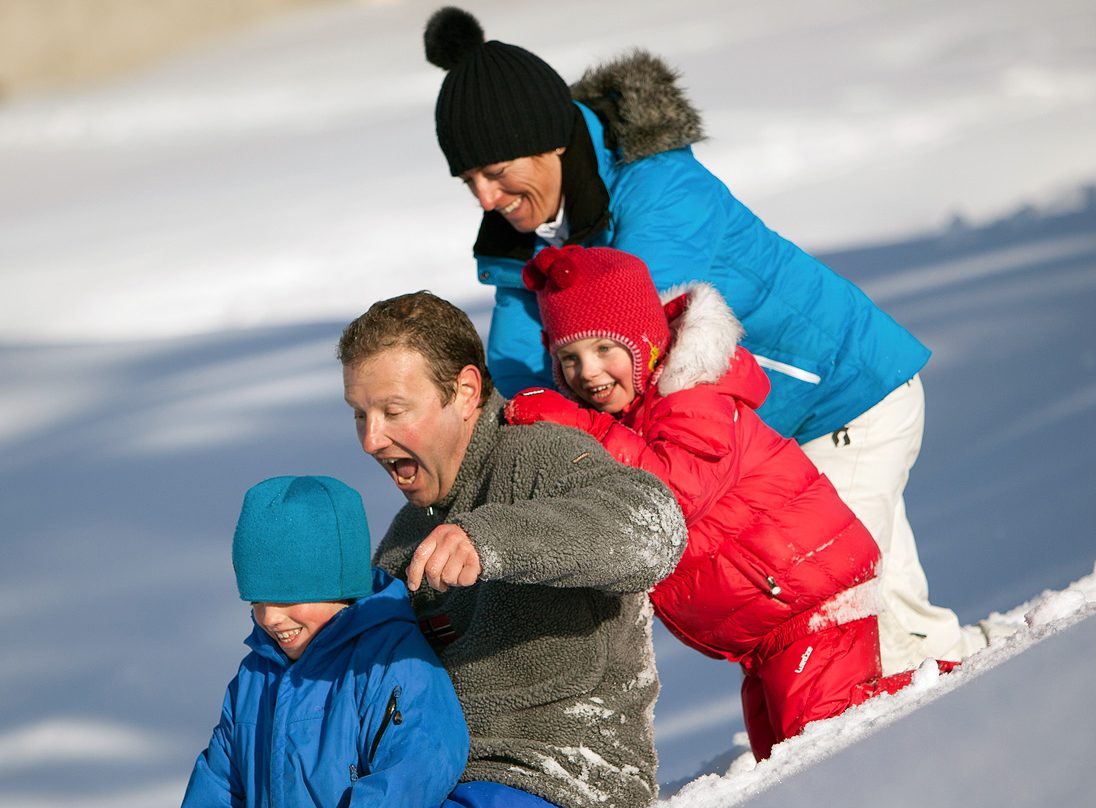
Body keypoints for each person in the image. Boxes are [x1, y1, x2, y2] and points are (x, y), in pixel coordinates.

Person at [420, 6, 1009, 671]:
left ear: (552, 139)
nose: (485, 197)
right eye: (468, 181)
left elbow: (630, 348)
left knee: (837, 611)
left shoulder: (660, 194)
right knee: (899, 624)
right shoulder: (525, 248)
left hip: (843, 398)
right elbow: (526, 366)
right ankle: (989, 673)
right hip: (770, 446)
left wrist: (556, 414)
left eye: (496, 171)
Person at [334, 289, 686, 808]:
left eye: (392, 412)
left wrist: (492, 539)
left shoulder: (539, 460)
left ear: (465, 392)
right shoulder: (406, 537)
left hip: (564, 778)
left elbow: (654, 526)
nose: (372, 439)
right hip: (453, 790)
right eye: (360, 416)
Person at [505, 244, 946, 760]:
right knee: (780, 759)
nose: (588, 371)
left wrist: (582, 425)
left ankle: (962, 688)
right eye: (569, 359)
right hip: (765, 630)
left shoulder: (693, 398)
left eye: (605, 348)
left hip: (811, 599)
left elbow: (671, 492)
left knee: (828, 744)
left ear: (646, 343)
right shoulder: (628, 423)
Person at [175, 475, 469, 808]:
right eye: (257, 600)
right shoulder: (255, 678)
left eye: (289, 597)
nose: (271, 618)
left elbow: (406, 787)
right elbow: (214, 803)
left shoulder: (393, 666)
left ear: (340, 583)